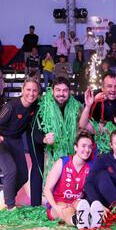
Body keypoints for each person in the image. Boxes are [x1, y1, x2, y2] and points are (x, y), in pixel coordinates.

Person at [29, 76, 83, 206]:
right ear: (52, 90)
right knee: (38, 168)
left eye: (65, 91)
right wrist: (43, 139)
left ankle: (64, 198)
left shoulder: (75, 105)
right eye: (58, 90)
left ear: (70, 92)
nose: (61, 94)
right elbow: (34, 130)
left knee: (65, 166)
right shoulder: (43, 105)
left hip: (65, 145)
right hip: (39, 139)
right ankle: (36, 205)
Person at [0, 77, 40, 210]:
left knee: (23, 175)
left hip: (15, 141)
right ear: (22, 90)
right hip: (1, 139)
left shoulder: (35, 105)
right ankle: (10, 206)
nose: (31, 93)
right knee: (11, 170)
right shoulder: (11, 106)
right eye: (28, 89)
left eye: (34, 90)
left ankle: (6, 196)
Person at [43, 131, 105, 229]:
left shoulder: (90, 167)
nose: (87, 149)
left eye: (89, 147)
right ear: (75, 147)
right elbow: (47, 189)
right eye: (83, 146)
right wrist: (55, 206)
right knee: (67, 209)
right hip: (58, 203)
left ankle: (91, 219)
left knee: (81, 204)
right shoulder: (62, 162)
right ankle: (78, 221)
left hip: (77, 202)